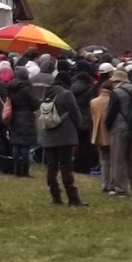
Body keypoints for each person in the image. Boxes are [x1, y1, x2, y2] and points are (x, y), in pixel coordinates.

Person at [35, 67, 87, 206]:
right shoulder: (66, 94)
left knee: (51, 167)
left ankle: (55, 196)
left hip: (49, 135)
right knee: (65, 166)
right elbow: (76, 115)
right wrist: (76, 127)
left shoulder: (46, 94)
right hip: (65, 136)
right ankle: (73, 197)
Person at [91, 75, 116, 194]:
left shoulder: (93, 102)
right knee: (113, 160)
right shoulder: (112, 100)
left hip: (98, 133)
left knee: (103, 160)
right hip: (111, 132)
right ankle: (112, 184)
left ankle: (104, 183)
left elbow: (93, 118)